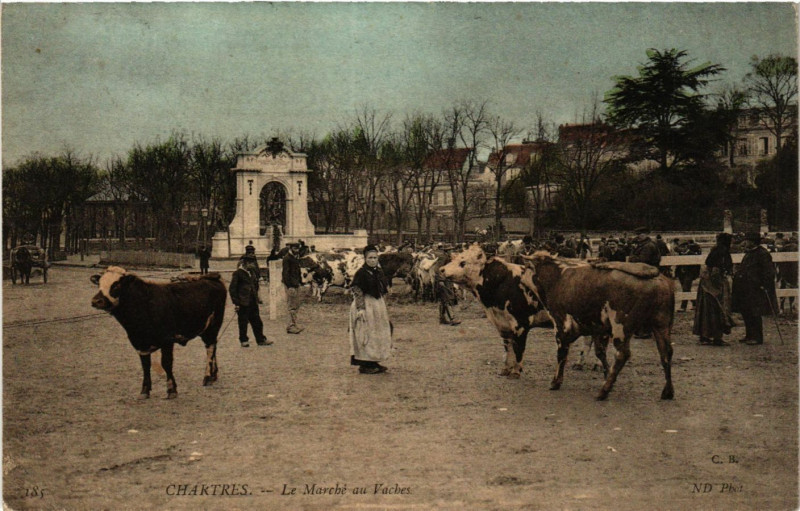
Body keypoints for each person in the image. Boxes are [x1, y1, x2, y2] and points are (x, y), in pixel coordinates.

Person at [349, 245, 393, 374]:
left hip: (377, 305)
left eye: (375, 258)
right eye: (370, 258)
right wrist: (361, 308)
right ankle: (365, 364)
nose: (372, 260)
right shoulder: (361, 273)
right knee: (366, 333)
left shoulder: (378, 272)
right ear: (365, 258)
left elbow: (382, 288)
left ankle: (374, 361)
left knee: (378, 332)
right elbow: (357, 290)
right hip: (365, 305)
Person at [732, 232, 778, 345]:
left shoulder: (762, 254)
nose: (744, 242)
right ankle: (749, 335)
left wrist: (764, 285)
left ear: (752, 242)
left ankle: (757, 337)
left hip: (756, 288)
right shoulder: (749, 253)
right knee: (746, 311)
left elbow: (769, 272)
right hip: (746, 288)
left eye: (746, 240)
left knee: (755, 312)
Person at [693, 233, 734, 346]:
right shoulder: (723, 252)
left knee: (705, 310)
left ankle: (704, 336)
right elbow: (717, 270)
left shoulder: (714, 250)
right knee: (718, 310)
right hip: (714, 285)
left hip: (706, 284)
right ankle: (717, 337)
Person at [229, 259, 271, 347]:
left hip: (252, 301)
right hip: (243, 302)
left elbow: (255, 286)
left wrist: (258, 297)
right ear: (245, 263)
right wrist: (236, 303)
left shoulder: (252, 272)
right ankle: (243, 340)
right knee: (243, 322)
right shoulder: (237, 273)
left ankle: (260, 339)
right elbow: (232, 289)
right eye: (250, 263)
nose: (253, 265)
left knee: (257, 322)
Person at [282, 243, 304, 334]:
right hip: (291, 285)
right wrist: (289, 286)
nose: (297, 250)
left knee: (296, 305)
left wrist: (300, 282)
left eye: (298, 248)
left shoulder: (294, 257)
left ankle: (294, 324)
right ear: (290, 248)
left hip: (296, 284)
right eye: (295, 248)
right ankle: (290, 326)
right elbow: (285, 274)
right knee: (292, 306)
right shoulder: (287, 258)